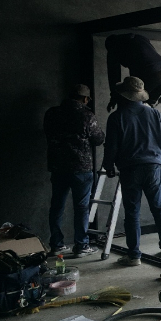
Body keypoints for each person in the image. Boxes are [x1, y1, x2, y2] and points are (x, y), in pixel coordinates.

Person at [102, 76, 161, 266]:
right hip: (153, 167)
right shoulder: (154, 114)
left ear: (124, 95)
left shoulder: (116, 117)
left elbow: (111, 147)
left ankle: (134, 256)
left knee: (132, 212)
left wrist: (108, 165)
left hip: (129, 169)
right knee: (159, 208)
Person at [44, 84, 105, 257]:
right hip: (81, 168)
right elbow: (98, 139)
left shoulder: (52, 113)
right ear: (85, 99)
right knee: (81, 208)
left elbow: (48, 134)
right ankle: (81, 245)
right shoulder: (86, 115)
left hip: (58, 167)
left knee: (57, 206)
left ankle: (56, 244)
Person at [105, 33, 161, 111]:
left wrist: (114, 97)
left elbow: (114, 74)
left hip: (151, 73)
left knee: (131, 101)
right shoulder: (140, 39)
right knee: (147, 107)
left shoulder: (114, 46)